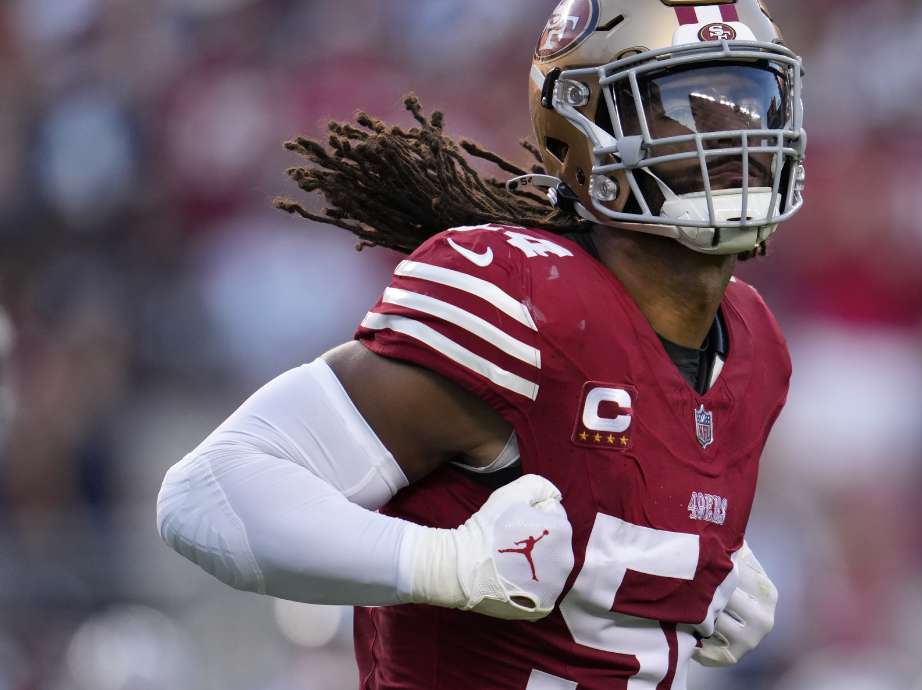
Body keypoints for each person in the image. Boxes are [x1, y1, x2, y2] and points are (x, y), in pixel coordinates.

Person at [156, 0, 806, 687]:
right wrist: (447, 564)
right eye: (687, 105)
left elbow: (602, 502)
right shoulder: (522, 301)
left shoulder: (754, 343)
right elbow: (206, 494)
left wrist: (691, 564)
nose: (734, 133)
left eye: (750, 100)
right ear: (586, 124)